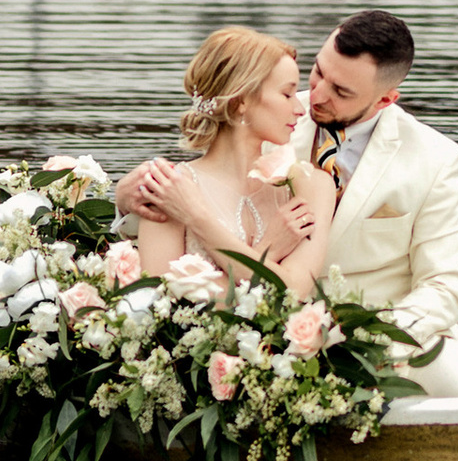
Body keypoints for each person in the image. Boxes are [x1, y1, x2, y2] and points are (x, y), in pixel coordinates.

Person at [120, 8, 458, 398]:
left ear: (386, 98)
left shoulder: (435, 158)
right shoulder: (268, 110)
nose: (314, 97)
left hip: (381, 335)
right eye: (318, 73)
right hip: (263, 332)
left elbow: (444, 286)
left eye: (341, 92)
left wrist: (366, 340)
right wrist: (124, 201)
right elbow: (196, 187)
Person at [129, 25, 335, 295]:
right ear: (241, 100)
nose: (299, 109)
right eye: (286, 94)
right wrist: (266, 252)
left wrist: (197, 218)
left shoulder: (311, 186)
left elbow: (294, 292)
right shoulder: (170, 189)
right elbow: (164, 301)